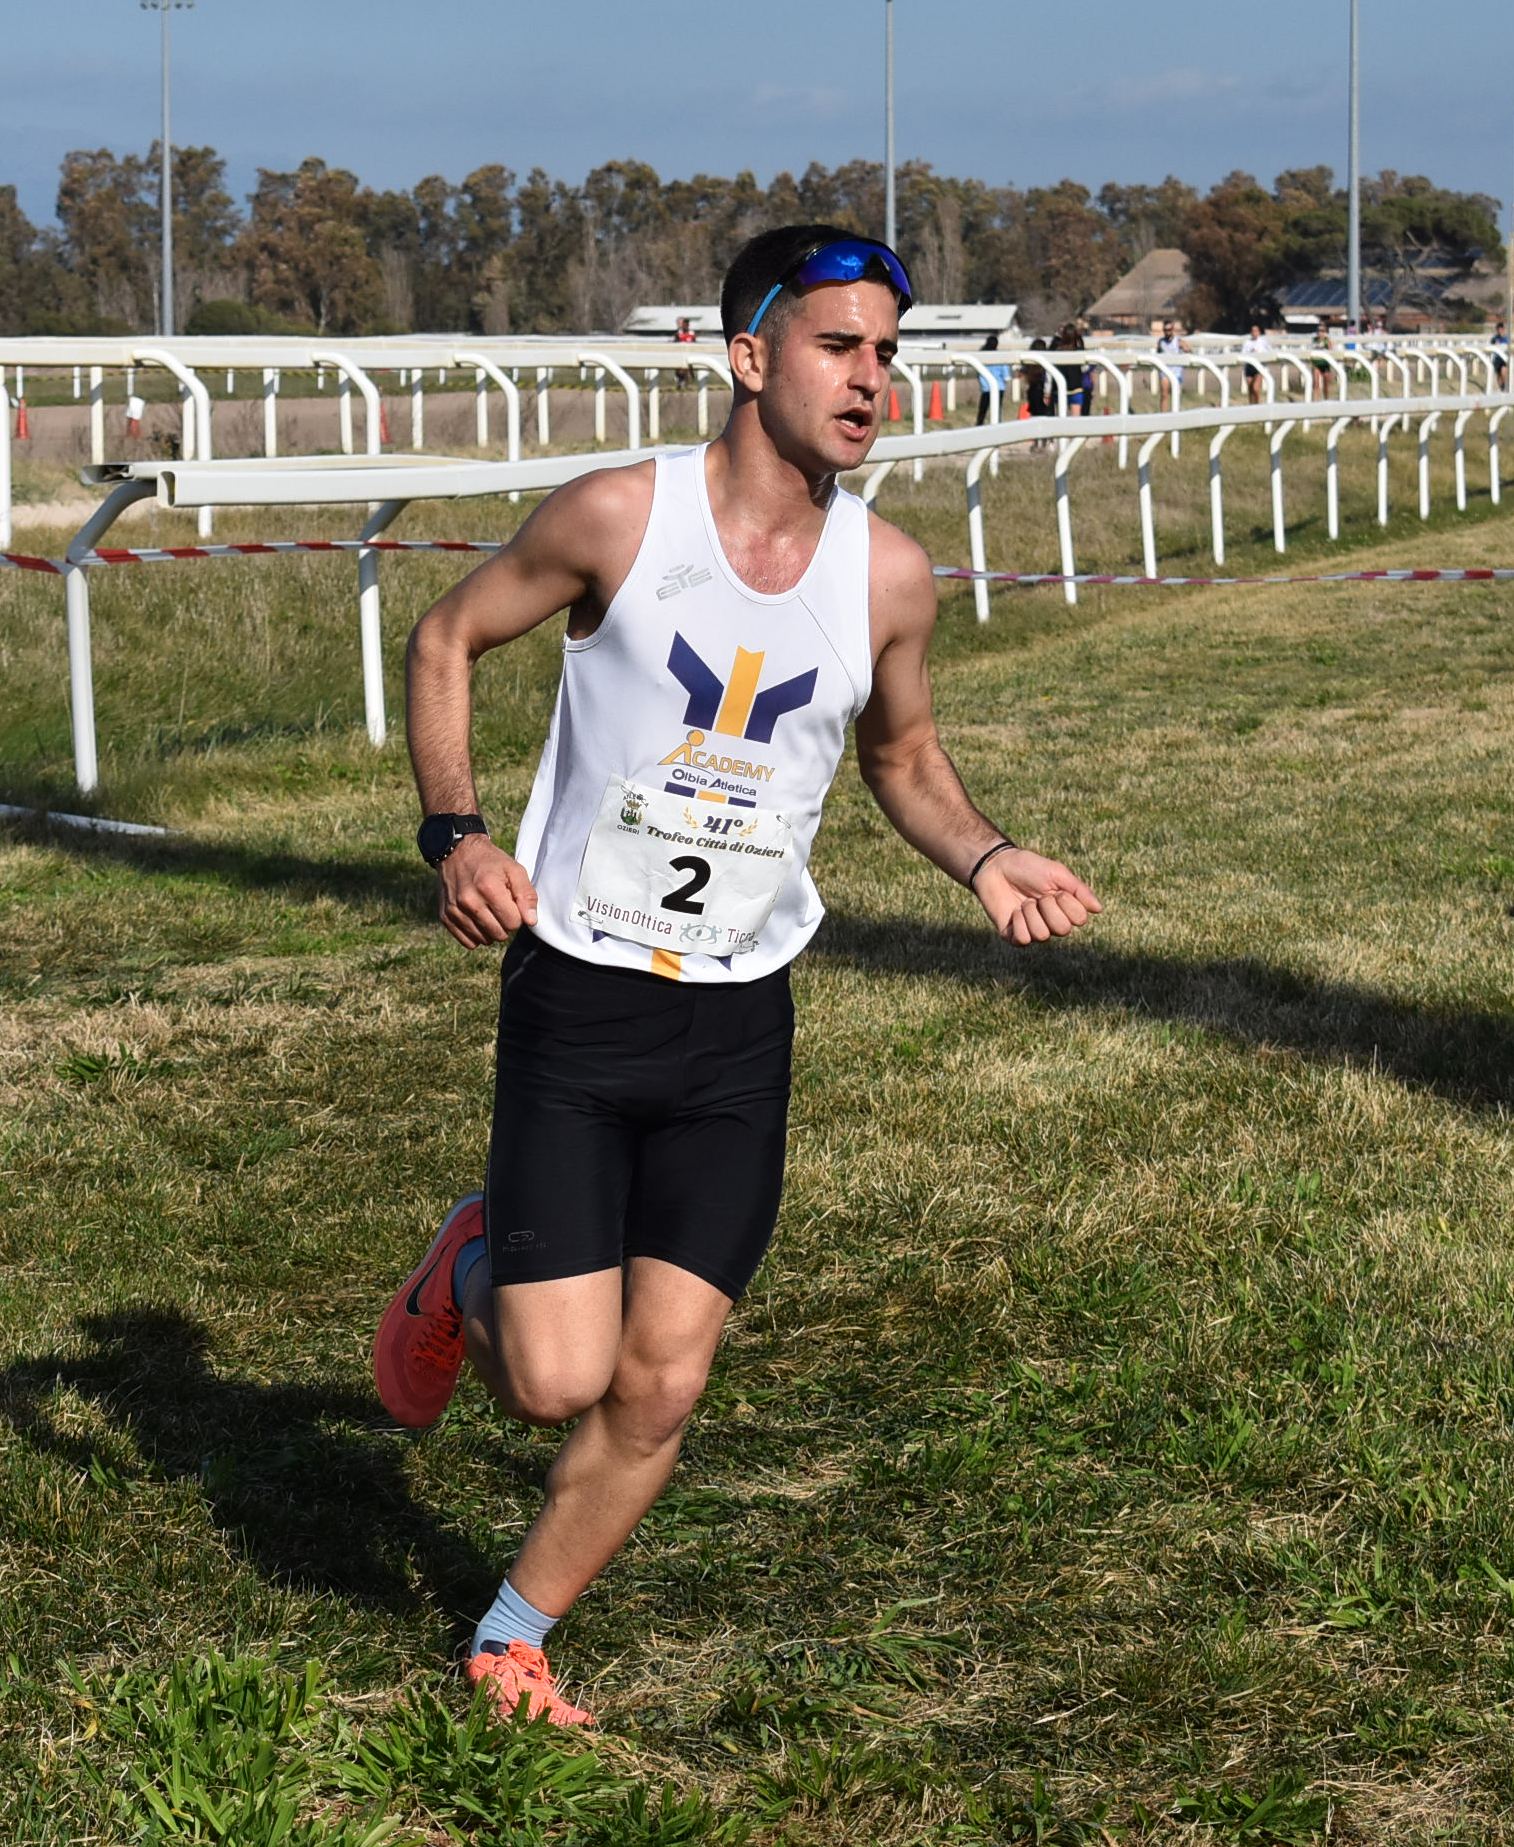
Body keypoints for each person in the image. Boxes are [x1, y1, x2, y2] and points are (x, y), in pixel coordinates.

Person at [372, 224, 1102, 1728]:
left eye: (886, 352)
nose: (871, 379)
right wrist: (455, 833)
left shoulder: (886, 574)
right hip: (583, 992)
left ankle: (511, 1637)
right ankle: (467, 1265)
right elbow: (445, 638)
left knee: (660, 1382)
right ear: (749, 355)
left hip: (737, 1022)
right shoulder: (617, 517)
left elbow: (901, 754)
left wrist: (984, 856)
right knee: (554, 1380)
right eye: (839, 346)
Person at [975, 332, 1013, 425]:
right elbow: (1006, 376)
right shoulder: (1000, 356)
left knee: (983, 409)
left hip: (986, 387)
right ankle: (997, 425)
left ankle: (979, 425)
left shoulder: (981, 356)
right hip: (999, 387)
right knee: (997, 408)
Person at [1155, 319, 1189, 413]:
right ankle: (1163, 416)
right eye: (1165, 330)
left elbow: (1188, 351)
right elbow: (1158, 353)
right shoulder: (1161, 342)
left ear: (1172, 330)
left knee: (1176, 395)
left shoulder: (1178, 341)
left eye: (1169, 330)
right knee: (1164, 395)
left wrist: (1186, 351)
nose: (1167, 332)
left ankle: (1175, 414)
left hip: (1176, 372)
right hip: (1165, 372)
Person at [1239, 322, 1272, 407]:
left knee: (1255, 388)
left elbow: (1269, 352)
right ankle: (1251, 407)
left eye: (1256, 331)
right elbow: (1242, 354)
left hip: (1259, 368)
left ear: (1259, 332)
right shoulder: (1247, 342)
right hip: (1249, 367)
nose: (1254, 333)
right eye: (1253, 331)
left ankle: (1257, 405)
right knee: (1250, 389)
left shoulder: (1263, 342)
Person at [1493, 319, 1508, 390]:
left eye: (1501, 329)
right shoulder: (1494, 339)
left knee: (1503, 371)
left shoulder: (1506, 338)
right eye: (1498, 329)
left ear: (1503, 329)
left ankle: (1505, 386)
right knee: (1498, 375)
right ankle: (1501, 388)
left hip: (1504, 359)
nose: (1500, 331)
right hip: (1497, 359)